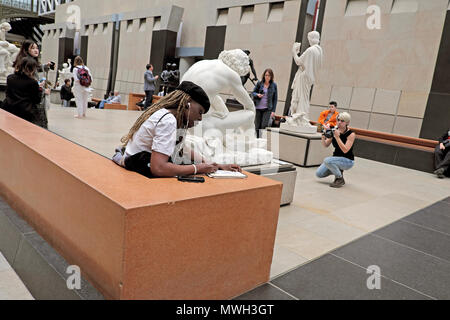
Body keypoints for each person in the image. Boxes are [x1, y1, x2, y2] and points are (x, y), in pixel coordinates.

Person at [113, 81, 241, 178]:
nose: (200, 118)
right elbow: (159, 168)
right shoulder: (168, 120)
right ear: (188, 103)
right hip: (139, 171)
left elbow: (181, 148)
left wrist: (215, 165)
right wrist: (197, 168)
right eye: (200, 112)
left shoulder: (165, 115)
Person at [12, 40, 51, 128]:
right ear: (26, 50)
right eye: (32, 48)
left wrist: (45, 66)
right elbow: (27, 84)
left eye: (37, 48)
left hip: (30, 103)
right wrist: (42, 89)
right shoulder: (27, 63)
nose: (36, 50)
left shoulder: (30, 61)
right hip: (30, 104)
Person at [316, 112, 356, 188]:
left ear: (347, 122)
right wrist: (323, 137)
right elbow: (326, 145)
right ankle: (338, 171)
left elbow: (345, 150)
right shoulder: (334, 130)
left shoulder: (351, 134)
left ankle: (340, 178)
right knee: (319, 174)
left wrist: (337, 137)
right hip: (335, 159)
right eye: (338, 120)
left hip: (348, 161)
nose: (339, 122)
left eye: (342, 121)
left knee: (327, 160)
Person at [2, 57, 43, 126]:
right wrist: (39, 89)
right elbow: (36, 100)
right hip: (25, 112)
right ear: (31, 69)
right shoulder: (32, 82)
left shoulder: (10, 78)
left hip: (9, 109)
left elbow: (8, 93)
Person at [252, 68, 278, 138]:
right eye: (266, 75)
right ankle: (256, 139)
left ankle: (260, 139)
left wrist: (273, 111)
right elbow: (253, 93)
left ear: (271, 76)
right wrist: (257, 95)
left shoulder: (274, 85)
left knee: (264, 125)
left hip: (267, 109)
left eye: (269, 75)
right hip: (258, 108)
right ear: (264, 76)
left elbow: (275, 99)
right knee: (257, 125)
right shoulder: (259, 83)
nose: (267, 77)